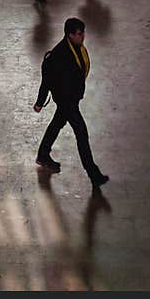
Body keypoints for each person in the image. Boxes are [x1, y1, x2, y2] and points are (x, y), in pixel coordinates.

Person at [33, 17, 108, 189]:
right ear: (70, 35)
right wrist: (39, 102)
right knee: (82, 134)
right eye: (80, 34)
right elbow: (47, 80)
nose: (83, 37)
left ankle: (43, 155)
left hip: (71, 98)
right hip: (67, 101)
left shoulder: (76, 48)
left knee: (57, 123)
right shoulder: (59, 55)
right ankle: (93, 174)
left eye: (83, 33)